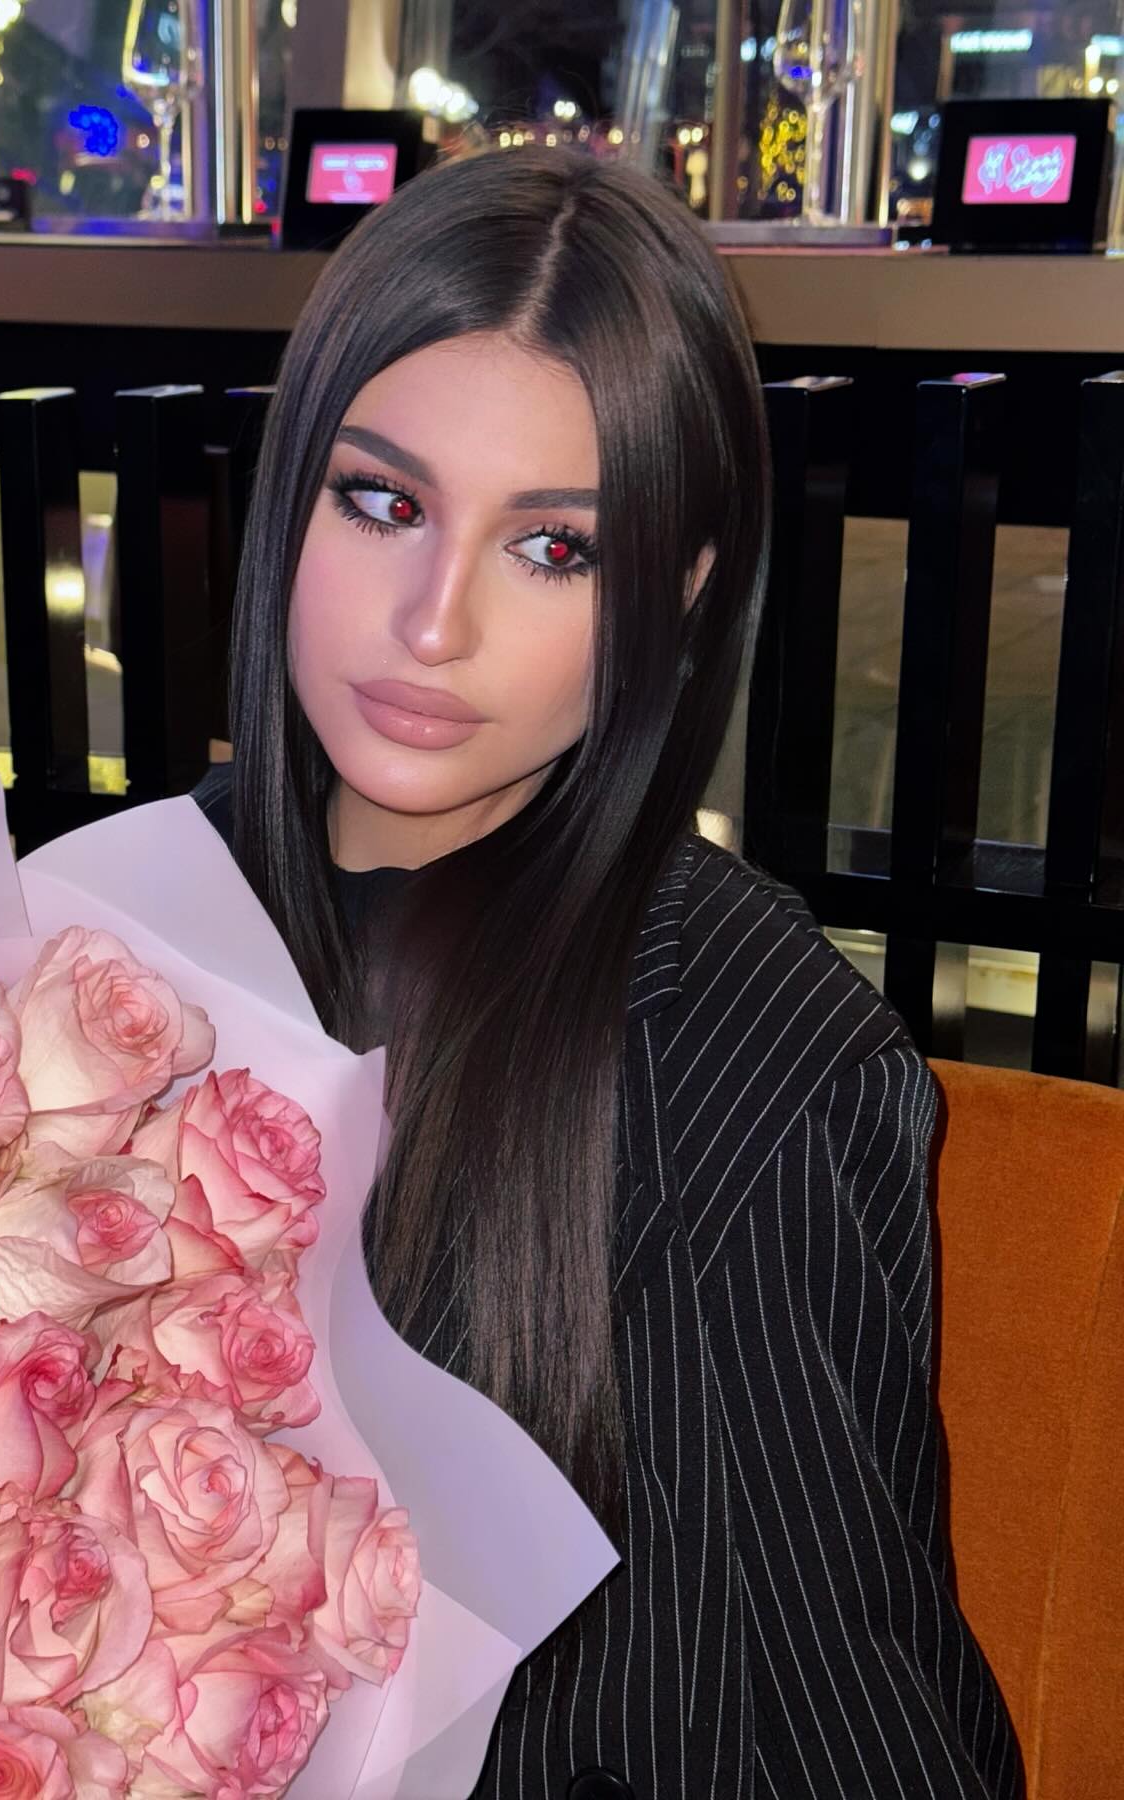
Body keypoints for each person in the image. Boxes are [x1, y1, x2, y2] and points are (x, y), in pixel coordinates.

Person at [192, 146, 1021, 1799]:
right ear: (290, 498)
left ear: (679, 591)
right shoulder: (96, 939)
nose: (435, 623)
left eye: (554, 549)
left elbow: (833, 1730)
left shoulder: (746, 1064)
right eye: (384, 503)